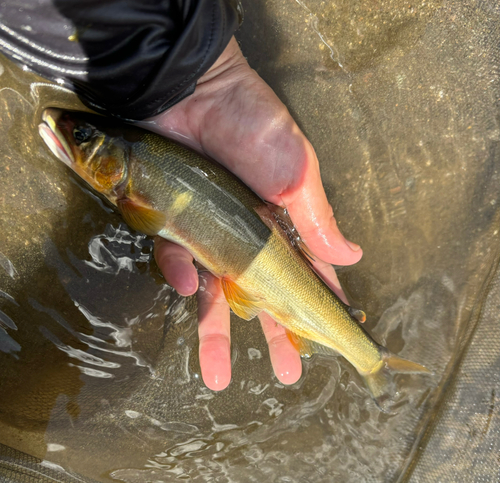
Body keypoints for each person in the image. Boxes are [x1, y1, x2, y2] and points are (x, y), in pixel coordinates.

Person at [0, 0, 362, 390]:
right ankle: (364, 354)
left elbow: (145, 218)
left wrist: (202, 71)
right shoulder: (133, 172)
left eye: (84, 137)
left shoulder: (132, 188)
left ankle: (366, 357)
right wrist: (199, 67)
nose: (63, 124)